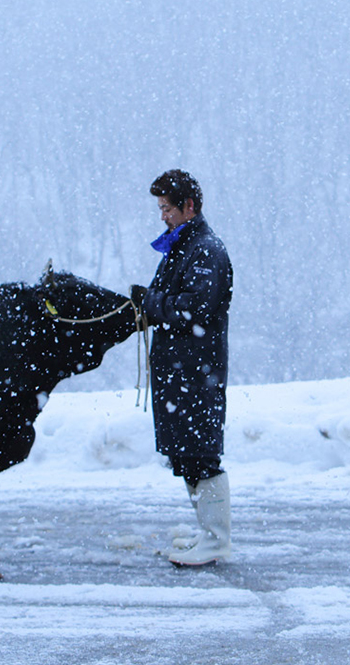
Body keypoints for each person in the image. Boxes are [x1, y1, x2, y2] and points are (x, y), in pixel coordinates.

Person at [131, 169, 233, 566]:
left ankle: (216, 538)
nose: (162, 216)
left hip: (196, 374)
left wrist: (152, 304)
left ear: (188, 206)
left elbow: (197, 309)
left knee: (203, 454)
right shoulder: (183, 247)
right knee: (187, 454)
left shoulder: (206, 250)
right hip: (180, 373)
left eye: (167, 208)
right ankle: (207, 534)